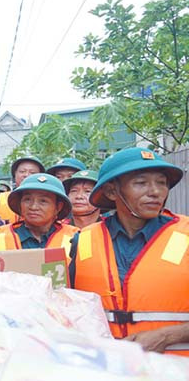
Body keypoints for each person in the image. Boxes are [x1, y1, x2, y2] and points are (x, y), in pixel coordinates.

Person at [69, 148, 189, 355]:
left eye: (161, 182)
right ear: (111, 192)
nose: (155, 192)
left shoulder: (185, 235)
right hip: (104, 369)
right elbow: (66, 310)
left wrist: (167, 336)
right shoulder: (83, 241)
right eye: (141, 183)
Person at [0, 173, 79, 254]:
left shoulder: (75, 238)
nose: (33, 207)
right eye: (27, 199)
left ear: (58, 207)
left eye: (43, 201)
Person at [0, 155, 46, 224]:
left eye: (32, 173)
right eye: (22, 171)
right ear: (15, 174)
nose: (26, 175)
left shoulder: (48, 200)